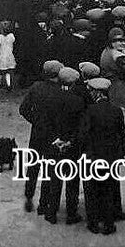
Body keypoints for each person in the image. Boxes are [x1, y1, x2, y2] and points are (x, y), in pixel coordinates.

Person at [39, 66, 86, 225]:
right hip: (72, 147)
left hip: (54, 145)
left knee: (54, 180)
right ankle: (71, 214)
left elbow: (45, 123)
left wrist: (55, 139)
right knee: (72, 181)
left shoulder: (49, 99)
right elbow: (80, 126)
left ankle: (51, 213)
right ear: (73, 84)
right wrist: (70, 141)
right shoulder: (78, 101)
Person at [80, 77, 125, 235]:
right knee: (108, 189)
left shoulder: (90, 111)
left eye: (92, 91)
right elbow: (123, 134)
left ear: (97, 93)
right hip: (111, 156)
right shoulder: (116, 110)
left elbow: (83, 134)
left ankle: (93, 223)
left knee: (92, 190)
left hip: (93, 156)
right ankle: (109, 223)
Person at [19, 60, 64, 215]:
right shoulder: (61, 91)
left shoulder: (36, 87)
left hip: (37, 133)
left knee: (33, 166)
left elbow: (23, 109)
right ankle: (43, 204)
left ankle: (29, 195)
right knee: (49, 169)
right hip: (53, 135)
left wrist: (35, 121)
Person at [0, 20, 17, 90]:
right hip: (10, 55)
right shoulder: (11, 36)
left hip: (1, 56)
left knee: (1, 71)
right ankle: (9, 84)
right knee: (9, 70)